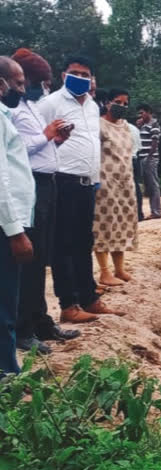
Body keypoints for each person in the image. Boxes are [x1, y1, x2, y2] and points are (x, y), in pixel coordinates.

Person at [37, 55, 123, 322]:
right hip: (62, 180)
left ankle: (89, 297)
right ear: (64, 75)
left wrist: (95, 176)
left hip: (87, 183)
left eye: (86, 75)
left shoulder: (92, 106)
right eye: (75, 73)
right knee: (63, 245)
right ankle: (68, 304)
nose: (81, 78)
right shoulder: (50, 103)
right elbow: (38, 138)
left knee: (84, 241)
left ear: (92, 78)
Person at [10, 48, 81, 352]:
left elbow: (39, 144)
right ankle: (24, 327)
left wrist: (56, 138)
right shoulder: (11, 111)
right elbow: (18, 149)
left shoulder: (31, 107)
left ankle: (40, 320)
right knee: (31, 260)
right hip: (32, 187)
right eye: (40, 81)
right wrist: (47, 135)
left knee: (42, 259)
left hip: (47, 185)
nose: (43, 87)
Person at [0, 56, 36, 376]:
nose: (22, 89)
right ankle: (7, 373)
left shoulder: (5, 116)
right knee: (4, 302)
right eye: (19, 82)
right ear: (1, 84)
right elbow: (0, 178)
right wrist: (15, 231)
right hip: (4, 227)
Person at [93, 88, 138, 285]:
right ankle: (104, 272)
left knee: (123, 222)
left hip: (125, 181)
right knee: (104, 224)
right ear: (108, 102)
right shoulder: (98, 125)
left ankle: (119, 269)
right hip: (105, 181)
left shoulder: (126, 127)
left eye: (125, 104)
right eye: (118, 102)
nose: (122, 106)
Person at [137, 104, 161, 219]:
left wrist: (149, 157)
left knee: (153, 184)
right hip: (143, 158)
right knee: (149, 185)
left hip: (149, 158)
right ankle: (154, 210)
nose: (140, 115)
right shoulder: (144, 125)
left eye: (142, 113)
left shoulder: (154, 124)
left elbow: (155, 142)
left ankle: (157, 211)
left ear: (148, 112)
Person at [129, 119, 144, 221]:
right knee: (136, 186)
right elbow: (139, 148)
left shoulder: (121, 128)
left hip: (126, 160)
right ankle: (139, 214)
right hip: (135, 159)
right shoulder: (134, 129)